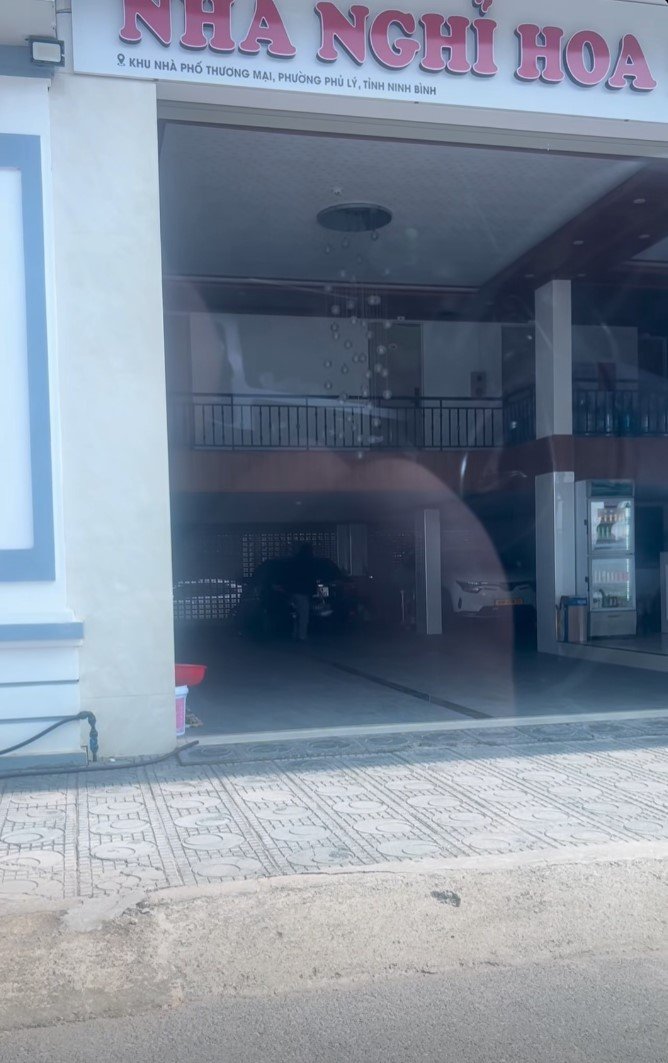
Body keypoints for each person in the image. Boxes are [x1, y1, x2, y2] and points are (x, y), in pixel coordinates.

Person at [286, 543, 319, 641]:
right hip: (303, 592)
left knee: (297, 614)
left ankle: (295, 633)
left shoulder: (294, 562)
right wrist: (313, 590)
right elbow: (311, 578)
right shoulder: (309, 563)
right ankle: (302, 635)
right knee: (304, 615)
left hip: (294, 592)